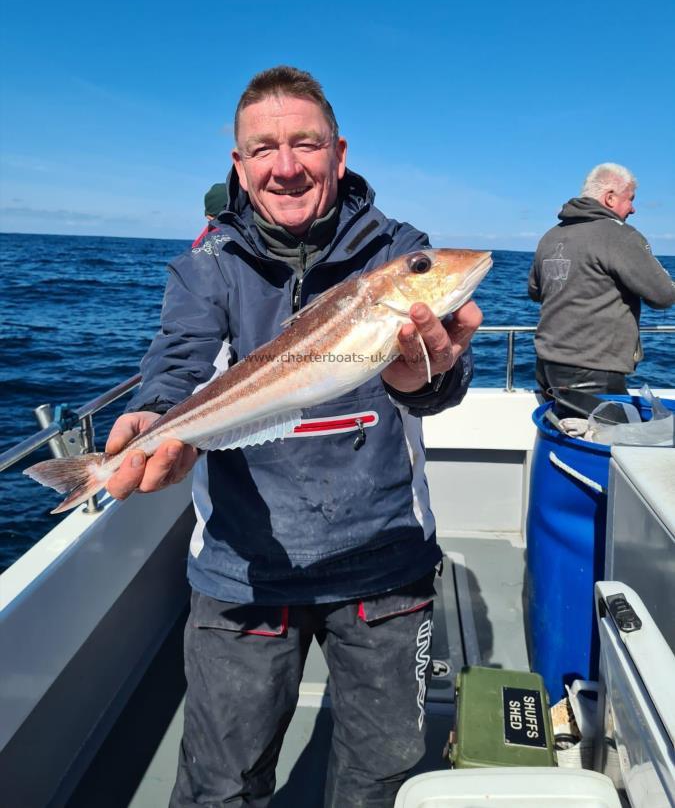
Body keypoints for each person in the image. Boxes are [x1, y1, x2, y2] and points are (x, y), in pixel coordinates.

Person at [104, 66, 483, 808]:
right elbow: (177, 362)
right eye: (264, 148)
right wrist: (156, 418)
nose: (286, 166)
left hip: (383, 562)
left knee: (378, 778)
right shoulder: (205, 267)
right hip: (244, 566)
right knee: (220, 786)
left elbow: (443, 380)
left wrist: (425, 380)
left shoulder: (397, 253)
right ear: (239, 166)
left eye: (305, 144)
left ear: (338, 154)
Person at [528, 162, 675, 398]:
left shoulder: (551, 235)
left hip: (546, 365)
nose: (633, 209)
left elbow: (535, 291)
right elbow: (664, 295)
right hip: (592, 371)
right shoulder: (620, 234)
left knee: (561, 432)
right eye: (630, 199)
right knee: (604, 435)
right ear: (610, 198)